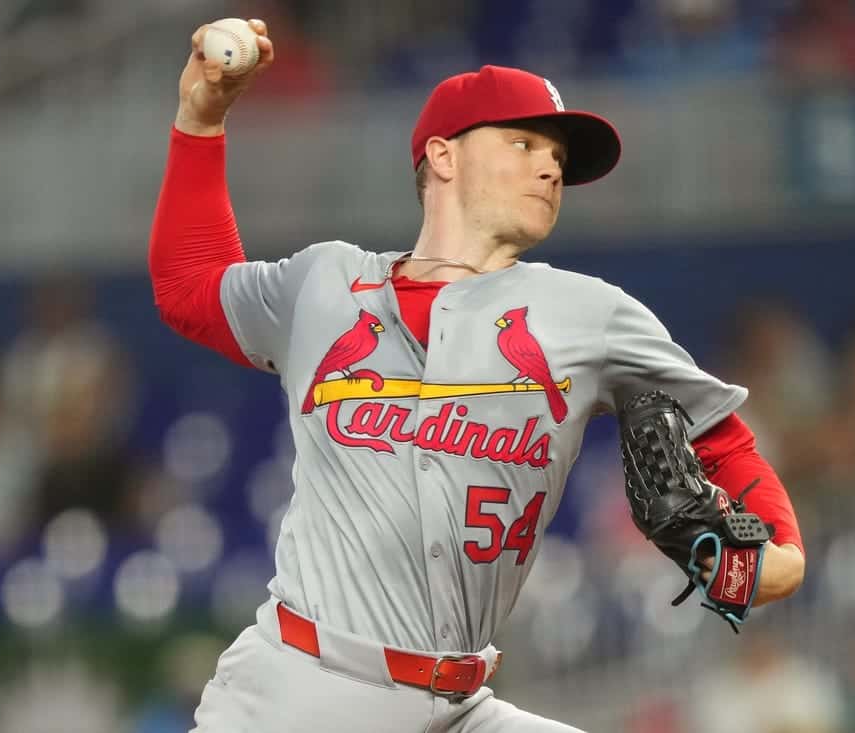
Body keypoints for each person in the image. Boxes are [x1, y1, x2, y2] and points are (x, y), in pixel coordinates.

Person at [149, 18, 806, 733]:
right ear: (442, 156)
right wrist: (201, 121)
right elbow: (189, 285)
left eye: (557, 158)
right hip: (300, 691)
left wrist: (780, 560)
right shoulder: (325, 283)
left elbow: (723, 442)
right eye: (523, 144)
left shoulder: (591, 316)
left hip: (459, 705)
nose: (549, 169)